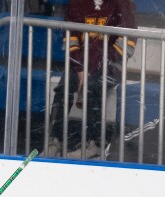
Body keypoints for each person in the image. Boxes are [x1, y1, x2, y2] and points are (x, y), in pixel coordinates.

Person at [44, 0, 137, 159]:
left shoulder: (123, 3)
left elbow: (127, 41)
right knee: (63, 88)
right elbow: (70, 38)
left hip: (111, 67)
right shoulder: (76, 3)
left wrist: (97, 68)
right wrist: (81, 68)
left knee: (92, 88)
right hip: (81, 66)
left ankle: (97, 146)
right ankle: (54, 141)